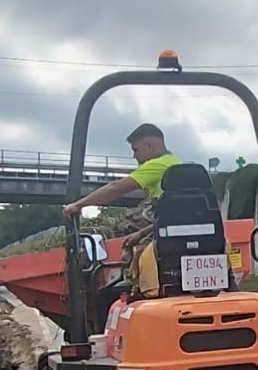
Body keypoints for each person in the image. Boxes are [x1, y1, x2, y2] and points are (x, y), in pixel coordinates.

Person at [64, 123, 183, 295]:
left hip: (168, 246)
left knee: (116, 288)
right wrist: (142, 233)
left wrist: (78, 205)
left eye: (136, 149)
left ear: (149, 145)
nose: (134, 156)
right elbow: (176, 218)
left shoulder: (158, 165)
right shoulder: (177, 165)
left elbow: (116, 188)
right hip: (177, 239)